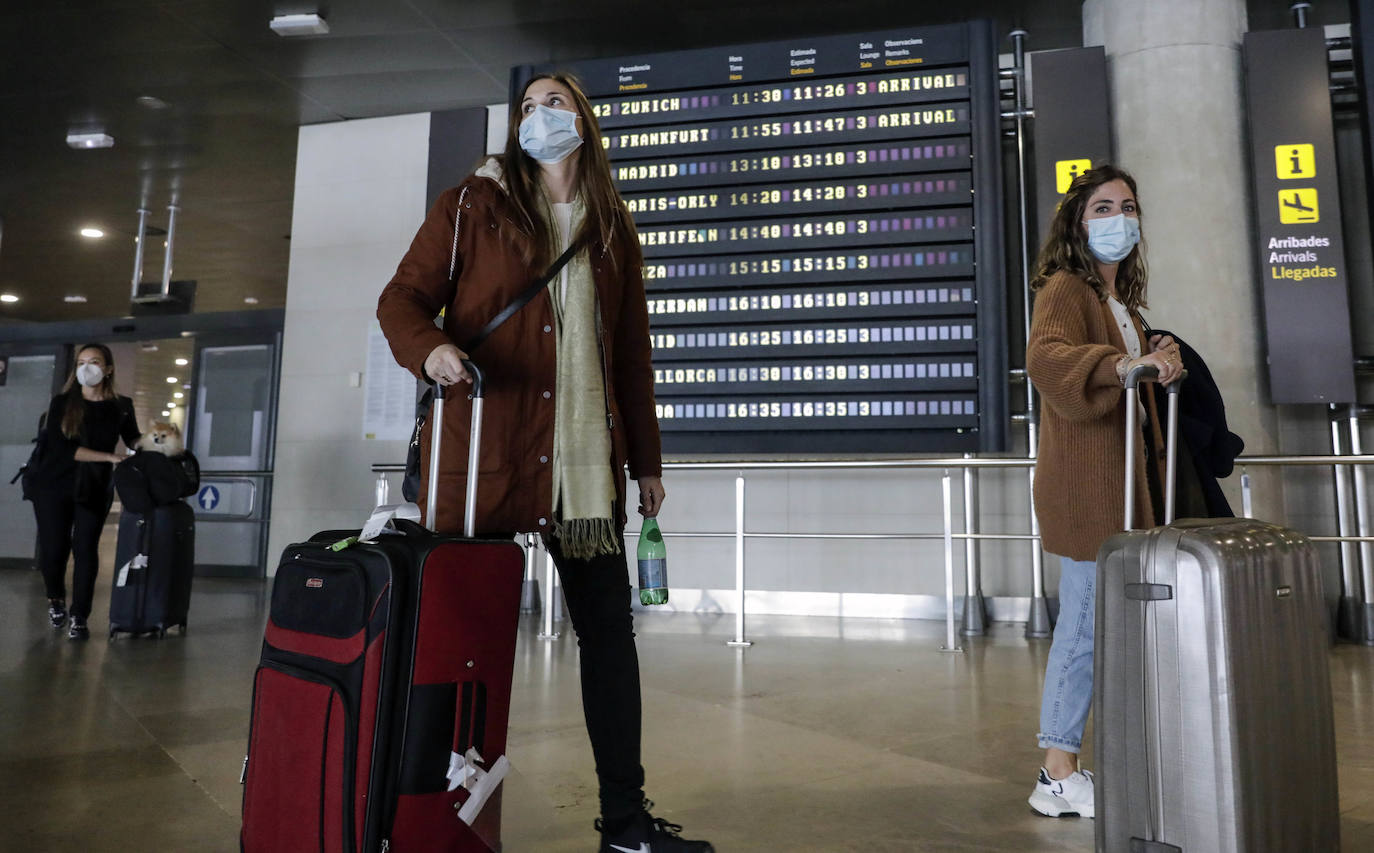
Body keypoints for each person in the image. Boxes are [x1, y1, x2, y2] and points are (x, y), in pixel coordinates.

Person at [377, 72, 713, 853]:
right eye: (526, 107)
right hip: (484, 461)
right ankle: (423, 818)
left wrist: (648, 461)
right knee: (451, 640)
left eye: (554, 102)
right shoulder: (473, 205)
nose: (538, 115)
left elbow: (631, 356)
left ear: (584, 121)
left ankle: (625, 824)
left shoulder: (612, 227)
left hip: (584, 470)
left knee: (608, 638)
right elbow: (401, 299)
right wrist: (432, 354)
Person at [1023, 166, 1184, 818]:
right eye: (1103, 207)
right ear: (1077, 222)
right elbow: (1047, 356)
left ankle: (1088, 758)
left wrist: (1152, 353)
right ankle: (1055, 771)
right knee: (1085, 628)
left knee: (1107, 627)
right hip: (1088, 490)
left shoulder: (1121, 304)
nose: (1120, 218)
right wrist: (1119, 364)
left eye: (1128, 206)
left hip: (1123, 488)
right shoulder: (1067, 287)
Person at [31, 344, 140, 640]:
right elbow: (61, 449)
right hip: (53, 484)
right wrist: (109, 457)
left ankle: (80, 616)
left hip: (93, 487)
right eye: (81, 362)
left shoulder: (122, 406)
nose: (86, 367)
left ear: (108, 369)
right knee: (54, 549)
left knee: (85, 549)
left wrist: (159, 442)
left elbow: (134, 439)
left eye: (94, 362)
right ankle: (55, 598)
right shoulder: (62, 403)